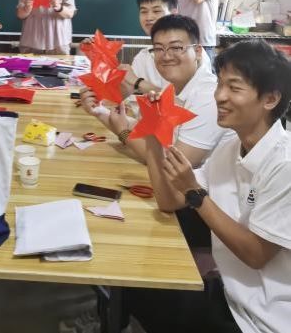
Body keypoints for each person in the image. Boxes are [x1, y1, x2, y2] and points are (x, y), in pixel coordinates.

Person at [122, 40, 291, 333]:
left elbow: (256, 254)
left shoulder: (284, 164)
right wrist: (152, 138)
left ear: (270, 99)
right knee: (133, 282)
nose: (220, 96)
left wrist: (196, 194)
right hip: (229, 294)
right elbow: (169, 201)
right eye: (220, 84)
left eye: (234, 88)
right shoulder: (230, 150)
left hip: (264, 318)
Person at [80, 14, 228, 168]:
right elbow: (146, 133)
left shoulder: (209, 97)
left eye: (176, 47)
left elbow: (174, 164)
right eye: (158, 48)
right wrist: (99, 111)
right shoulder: (174, 85)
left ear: (197, 51)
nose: (166, 56)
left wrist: (123, 132)